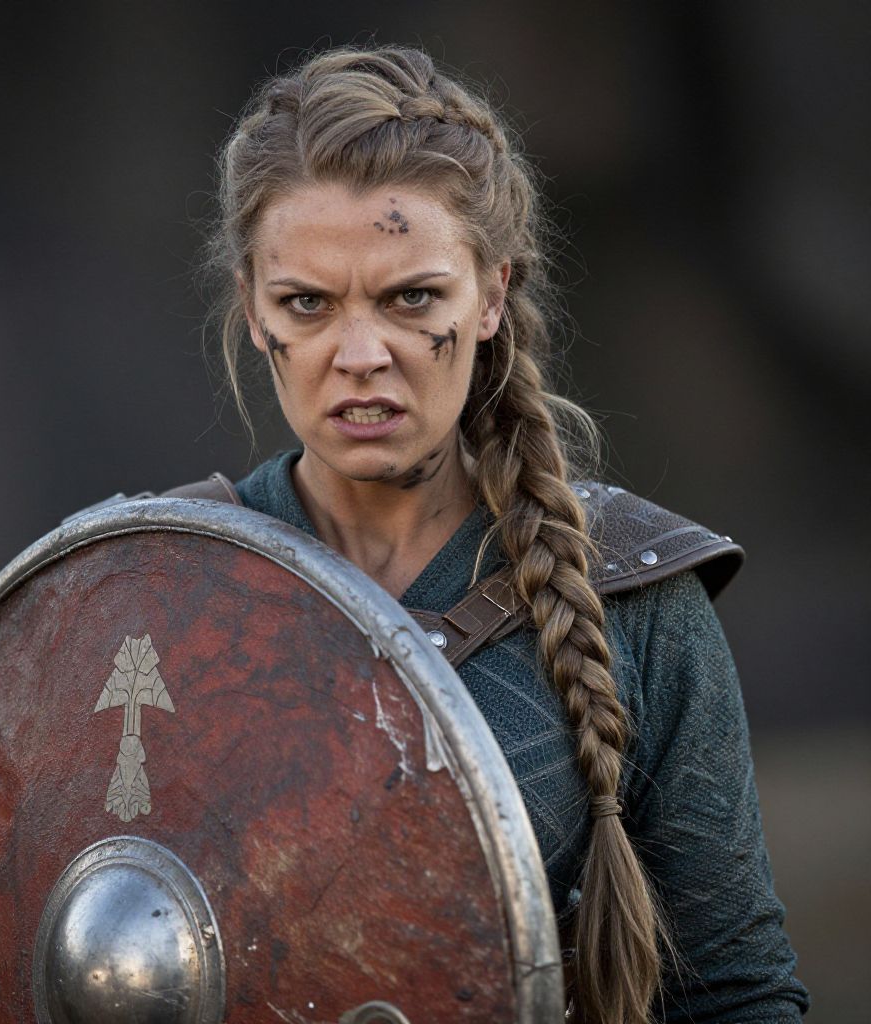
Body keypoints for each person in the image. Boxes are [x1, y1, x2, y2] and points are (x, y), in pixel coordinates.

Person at [198, 46, 809, 1023]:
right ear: (254, 311)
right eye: (306, 303)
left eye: (412, 298)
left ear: (489, 296)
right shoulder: (165, 582)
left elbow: (736, 994)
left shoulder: (632, 594)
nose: (360, 356)